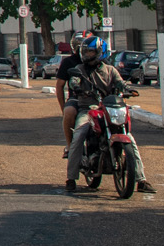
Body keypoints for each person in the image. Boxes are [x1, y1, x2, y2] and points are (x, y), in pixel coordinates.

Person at [63, 37, 150, 195]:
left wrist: (128, 89)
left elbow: (120, 82)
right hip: (88, 110)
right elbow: (74, 80)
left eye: (91, 51)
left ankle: (141, 180)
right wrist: (77, 86)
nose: (87, 54)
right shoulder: (80, 69)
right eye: (85, 51)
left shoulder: (110, 70)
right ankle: (71, 177)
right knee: (79, 135)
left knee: (130, 139)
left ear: (100, 52)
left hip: (109, 108)